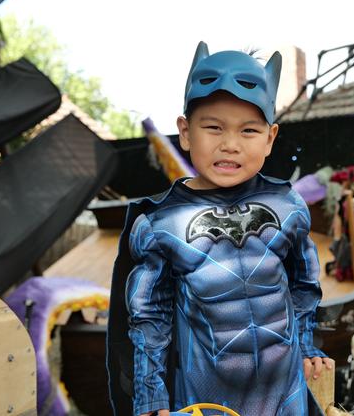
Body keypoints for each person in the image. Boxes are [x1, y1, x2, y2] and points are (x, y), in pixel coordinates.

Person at [107, 42, 332, 416]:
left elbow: (304, 286)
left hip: (284, 391)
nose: (229, 145)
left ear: (270, 138)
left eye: (248, 130)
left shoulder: (288, 206)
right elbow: (149, 316)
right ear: (185, 131)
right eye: (212, 127)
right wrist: (149, 393)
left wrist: (309, 346)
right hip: (205, 397)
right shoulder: (161, 223)